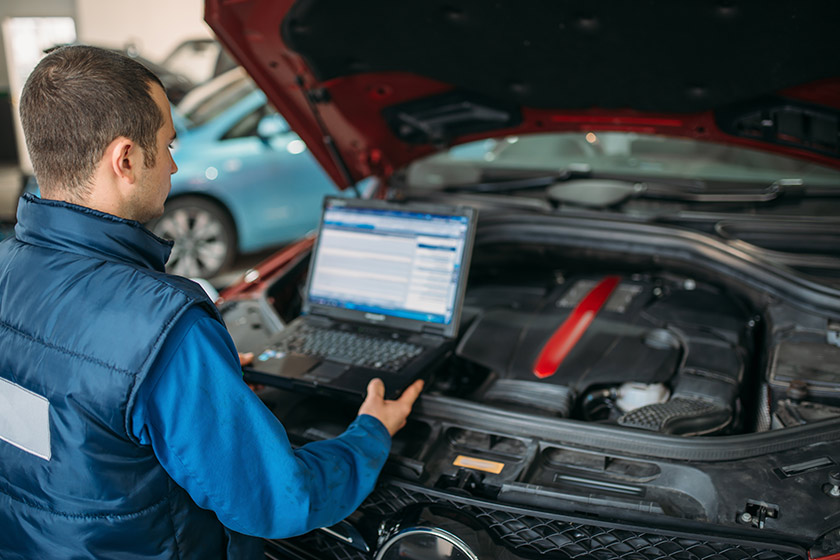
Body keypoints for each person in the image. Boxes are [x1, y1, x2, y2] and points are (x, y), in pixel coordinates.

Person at [0, 45, 423, 559]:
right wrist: (372, 434)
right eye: (169, 143)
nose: (175, 165)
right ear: (127, 159)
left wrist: (197, 382)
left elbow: (65, 405)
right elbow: (277, 501)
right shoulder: (163, 327)